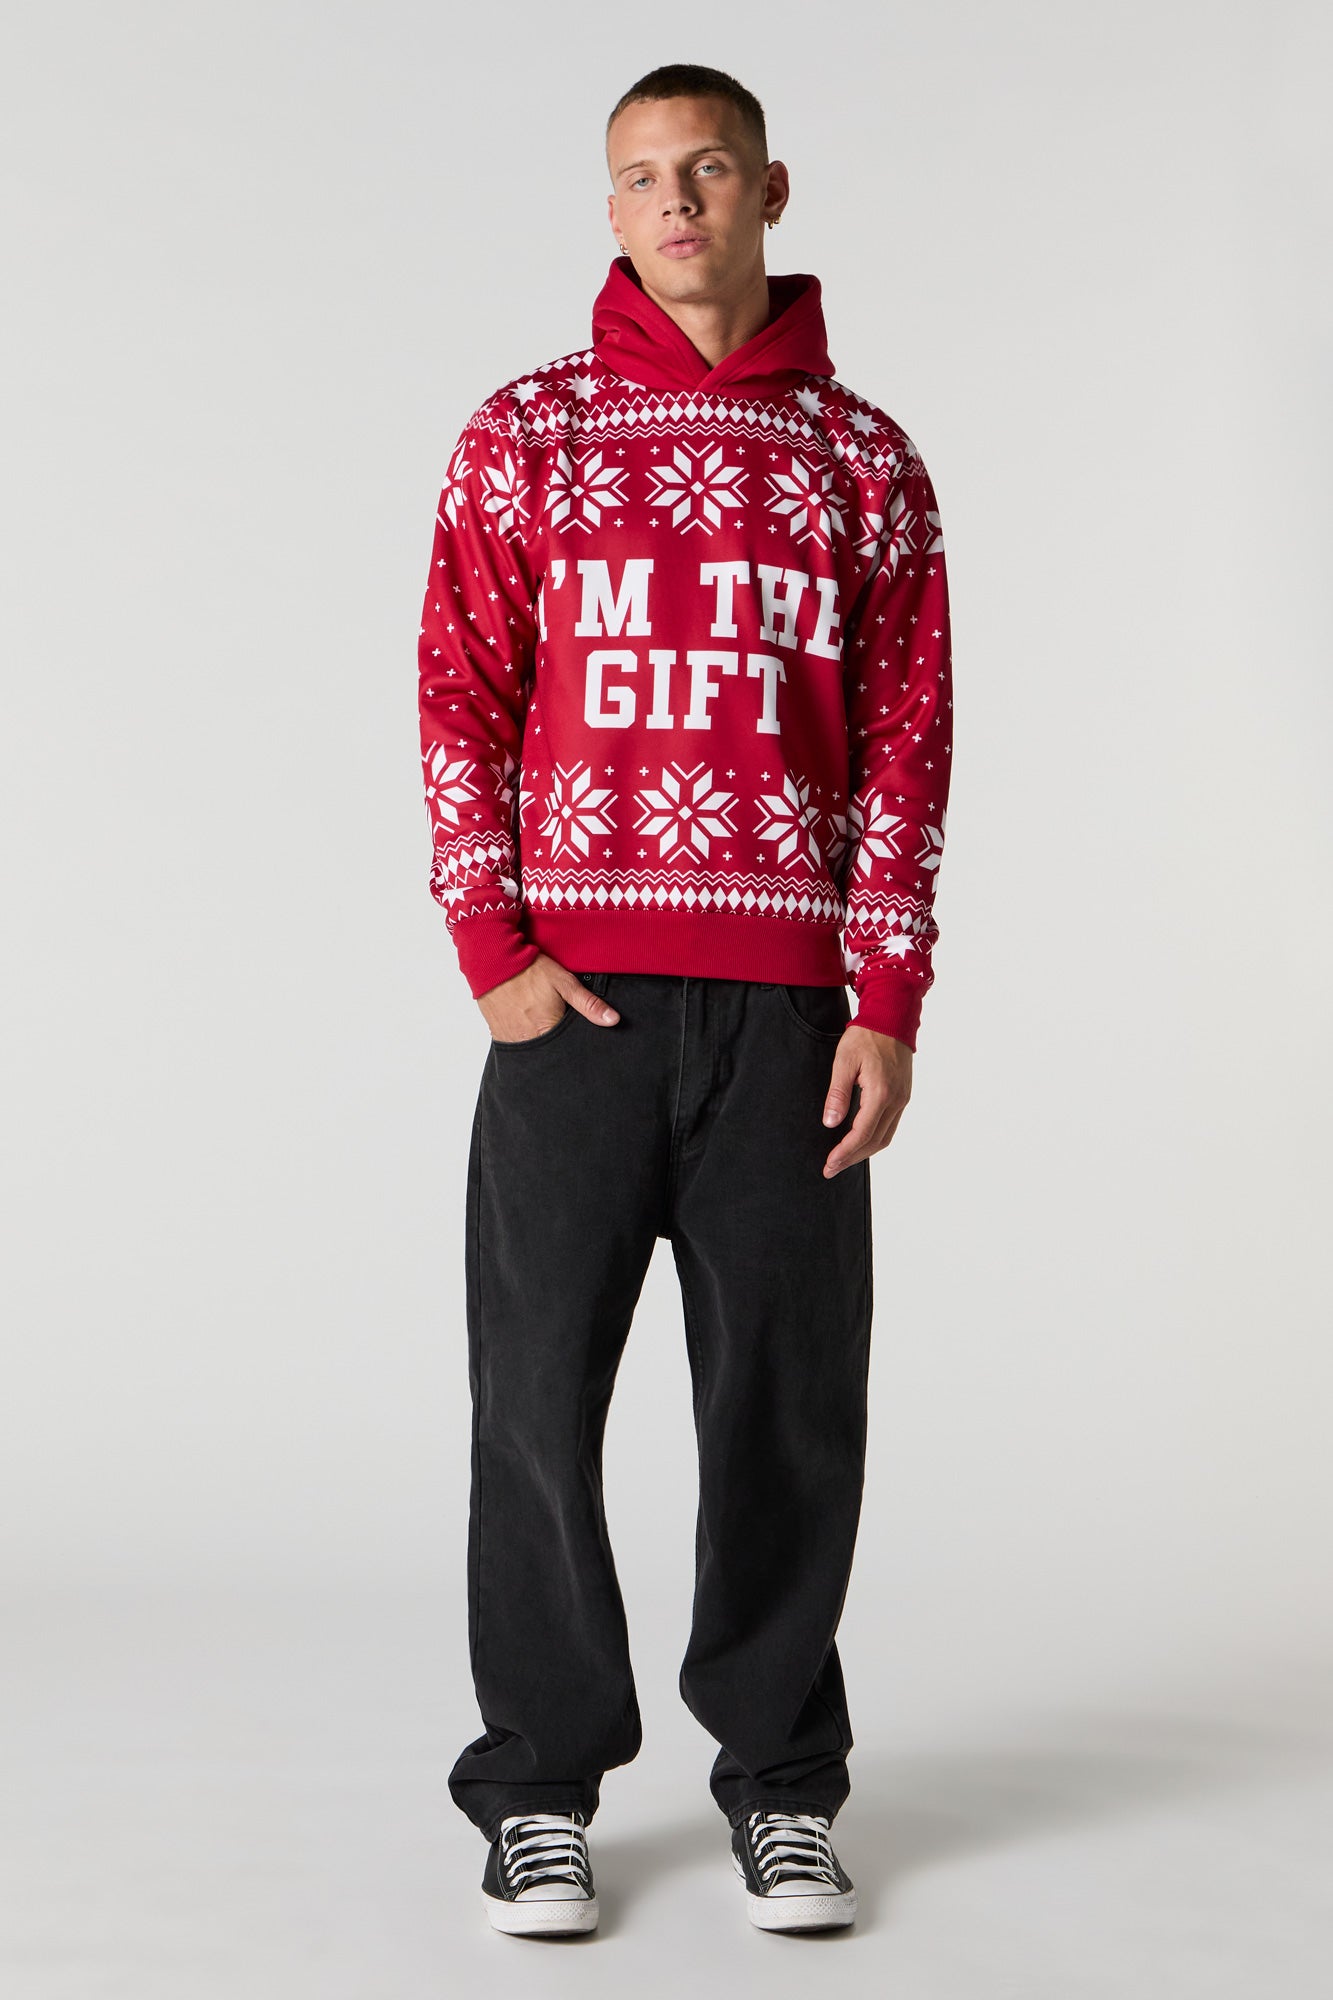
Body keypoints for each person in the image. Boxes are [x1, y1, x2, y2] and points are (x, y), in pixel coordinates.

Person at [416, 61, 953, 1937]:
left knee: (786, 1416)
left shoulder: (862, 461)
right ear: (611, 208)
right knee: (532, 1407)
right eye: (640, 176)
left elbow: (906, 743)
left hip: (789, 1022)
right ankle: (536, 1789)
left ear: (769, 191)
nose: (674, 201)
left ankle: (783, 1788)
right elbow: (460, 692)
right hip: (574, 1014)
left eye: (707, 168)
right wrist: (492, 953)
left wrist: (885, 993)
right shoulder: (530, 434)